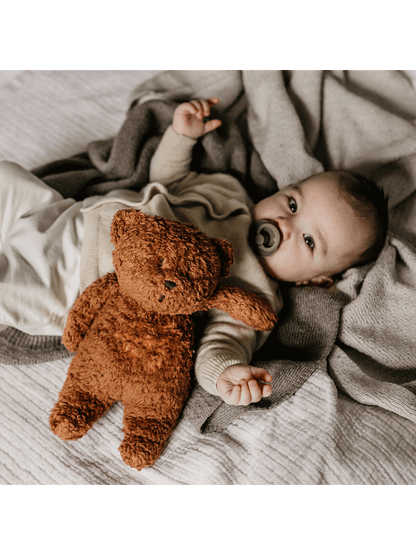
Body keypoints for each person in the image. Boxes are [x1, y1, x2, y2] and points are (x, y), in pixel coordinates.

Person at [0, 98, 388, 406]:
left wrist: (227, 375)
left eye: (307, 241)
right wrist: (181, 137)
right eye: (291, 204)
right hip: (71, 216)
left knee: (11, 286)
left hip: (79, 282)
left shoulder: (255, 297)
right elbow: (170, 179)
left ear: (315, 280)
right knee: (9, 177)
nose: (285, 226)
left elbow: (222, 344)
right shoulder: (229, 191)